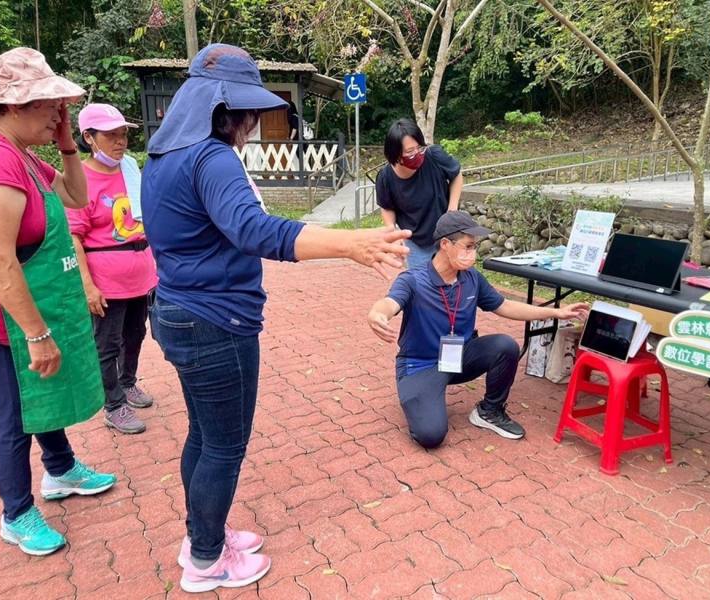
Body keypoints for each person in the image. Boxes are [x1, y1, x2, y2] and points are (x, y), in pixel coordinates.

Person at [141, 44, 410, 594]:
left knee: (204, 435)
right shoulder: (212, 157)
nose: (251, 126)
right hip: (216, 323)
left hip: (176, 311)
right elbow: (255, 231)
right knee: (223, 446)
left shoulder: (163, 156)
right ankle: (206, 561)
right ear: (229, 111)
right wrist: (350, 244)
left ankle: (201, 535)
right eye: (249, 114)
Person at [0, 48, 116, 556]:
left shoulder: (24, 155)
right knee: (15, 411)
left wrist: (67, 145)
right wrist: (36, 332)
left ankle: (60, 470)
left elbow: (77, 198)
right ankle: (16, 512)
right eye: (49, 104)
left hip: (30, 300)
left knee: (46, 390)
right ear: (13, 106)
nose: (58, 111)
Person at [368, 211, 589, 449]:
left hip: (460, 357)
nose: (473, 253)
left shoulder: (472, 278)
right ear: (445, 245)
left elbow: (505, 306)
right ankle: (422, 398)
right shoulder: (413, 280)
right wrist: (377, 314)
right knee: (430, 435)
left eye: (475, 247)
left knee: (505, 346)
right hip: (421, 364)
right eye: (468, 246)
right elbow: (390, 303)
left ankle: (489, 411)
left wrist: (556, 312)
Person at [69, 103, 158, 435]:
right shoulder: (81, 179)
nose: (120, 142)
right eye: (111, 136)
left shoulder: (131, 169)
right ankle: (113, 404)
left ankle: (128, 382)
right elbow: (74, 237)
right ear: (89, 137)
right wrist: (87, 286)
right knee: (107, 343)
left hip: (140, 272)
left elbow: (145, 218)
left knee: (136, 333)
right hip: (106, 277)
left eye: (123, 135)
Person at [376, 118, 463, 270]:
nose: (417, 154)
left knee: (452, 281)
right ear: (396, 155)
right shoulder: (385, 177)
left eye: (419, 148)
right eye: (410, 151)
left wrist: (452, 208)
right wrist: (393, 232)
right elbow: (387, 207)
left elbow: (456, 175)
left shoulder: (434, 156)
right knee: (422, 285)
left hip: (447, 234)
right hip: (415, 241)